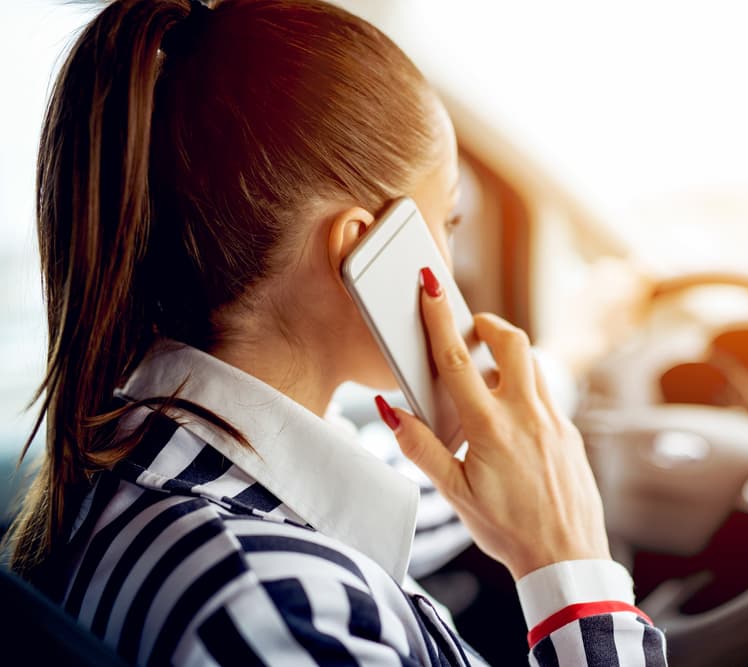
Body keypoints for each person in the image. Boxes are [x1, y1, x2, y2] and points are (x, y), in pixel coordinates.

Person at [5, 0, 668, 664]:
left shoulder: (153, 459)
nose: (452, 258)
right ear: (362, 249)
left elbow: (390, 503)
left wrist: (570, 357)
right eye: (449, 222)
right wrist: (572, 571)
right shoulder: (281, 608)